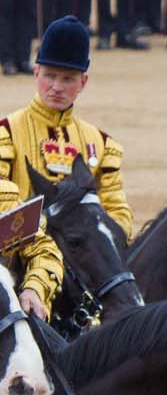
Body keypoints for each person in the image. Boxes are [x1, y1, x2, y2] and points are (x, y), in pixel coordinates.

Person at [1, 17, 131, 241]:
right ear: (36, 74)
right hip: (19, 259)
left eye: (68, 79)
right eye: (49, 76)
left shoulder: (101, 144)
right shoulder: (6, 134)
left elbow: (119, 214)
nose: (57, 88)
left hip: (84, 265)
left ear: (83, 82)